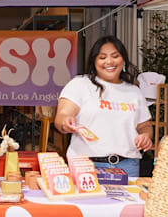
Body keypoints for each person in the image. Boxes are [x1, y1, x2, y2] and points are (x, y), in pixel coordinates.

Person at [54, 35, 153, 177]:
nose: (109, 61)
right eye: (102, 57)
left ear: (123, 59)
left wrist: (145, 136)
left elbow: (145, 125)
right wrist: (65, 122)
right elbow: (62, 116)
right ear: (94, 61)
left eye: (115, 56)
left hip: (128, 165)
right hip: (87, 165)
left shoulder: (134, 92)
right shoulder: (80, 84)